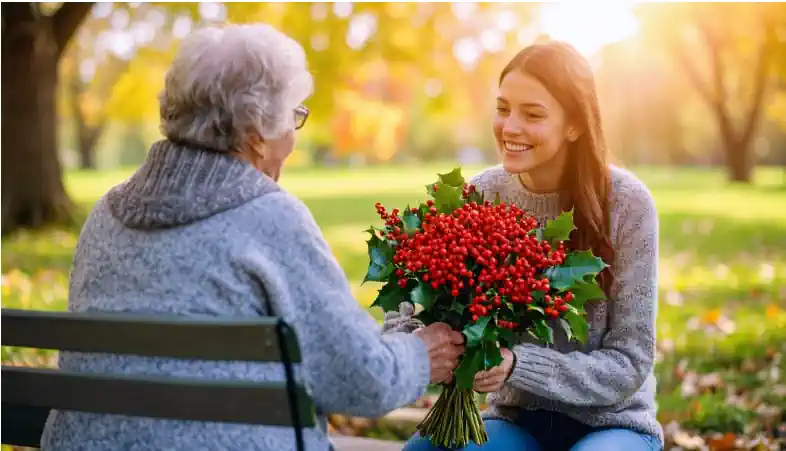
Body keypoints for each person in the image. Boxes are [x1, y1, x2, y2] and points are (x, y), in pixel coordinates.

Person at [41, 23, 465, 451]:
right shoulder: (272, 217)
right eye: (294, 117)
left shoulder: (104, 215)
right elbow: (364, 383)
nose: (292, 140)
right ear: (257, 134)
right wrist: (420, 354)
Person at [384, 41, 662, 451]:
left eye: (532, 114)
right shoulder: (479, 194)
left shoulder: (626, 204)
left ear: (574, 125)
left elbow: (631, 363)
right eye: (502, 108)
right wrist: (421, 347)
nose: (510, 127)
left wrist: (518, 366)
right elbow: (403, 309)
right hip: (516, 423)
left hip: (613, 426)